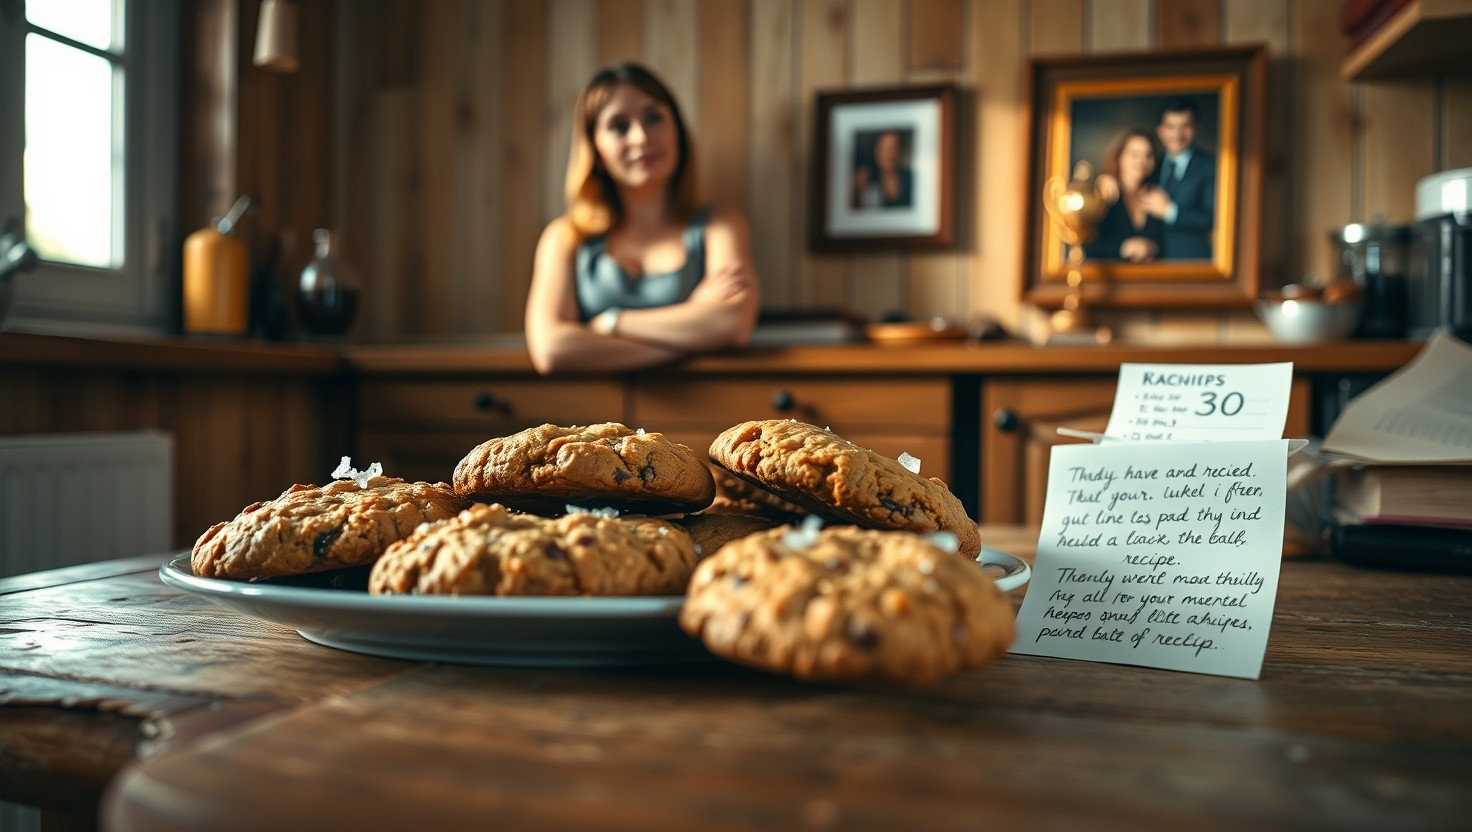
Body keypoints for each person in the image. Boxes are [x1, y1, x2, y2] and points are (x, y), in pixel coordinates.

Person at [524, 63, 759, 375]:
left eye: (654, 117)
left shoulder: (720, 225)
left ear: (677, 130)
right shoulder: (565, 237)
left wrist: (610, 323)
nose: (641, 137)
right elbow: (552, 350)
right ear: (595, 151)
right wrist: (693, 324)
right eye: (619, 126)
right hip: (590, 419)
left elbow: (732, 324)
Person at [1139, 98, 1215, 260]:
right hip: (1152, 261)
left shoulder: (1212, 165)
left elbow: (1213, 217)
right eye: (1171, 127)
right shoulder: (1151, 164)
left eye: (1185, 126)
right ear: (1161, 131)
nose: (1177, 135)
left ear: (1196, 128)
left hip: (1193, 261)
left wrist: (1169, 212)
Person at [1085, 127, 1164, 263]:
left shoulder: (1159, 195)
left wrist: (1153, 248)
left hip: (1152, 279)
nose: (1142, 161)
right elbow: (1086, 247)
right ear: (1119, 158)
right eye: (1134, 154)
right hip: (1113, 280)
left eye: (1148, 155)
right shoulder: (1103, 192)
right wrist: (1123, 248)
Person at [850, 130, 914, 209]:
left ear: (900, 151)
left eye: (894, 147)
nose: (889, 153)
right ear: (877, 152)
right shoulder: (867, 183)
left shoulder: (912, 179)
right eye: (884, 147)